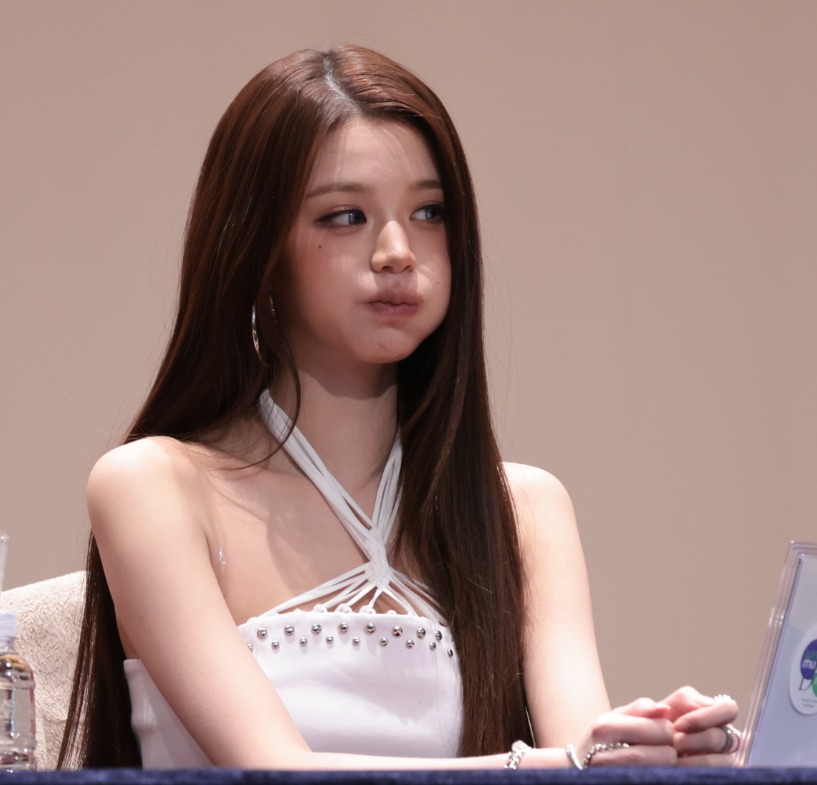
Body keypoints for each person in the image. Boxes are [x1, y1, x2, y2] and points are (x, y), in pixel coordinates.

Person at [58, 44, 739, 770]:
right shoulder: (151, 485)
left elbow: (581, 750)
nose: (396, 251)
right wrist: (552, 766)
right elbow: (272, 768)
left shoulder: (524, 508)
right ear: (256, 245)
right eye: (345, 215)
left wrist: (661, 746)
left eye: (428, 212)